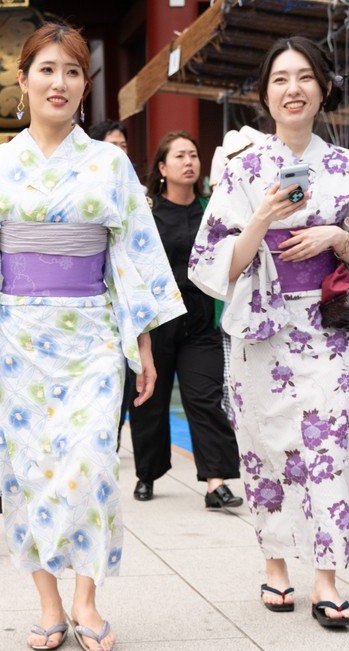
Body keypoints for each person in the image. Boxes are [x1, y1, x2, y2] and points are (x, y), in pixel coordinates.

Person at [0, 23, 185, 651]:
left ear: (86, 85)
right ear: (21, 81)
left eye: (74, 72)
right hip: (16, 338)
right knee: (26, 473)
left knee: (92, 465)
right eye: (47, 70)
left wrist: (140, 344)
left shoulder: (109, 163)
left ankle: (87, 597)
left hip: (92, 338)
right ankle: (49, 603)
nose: (60, 82)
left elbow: (132, 255)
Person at [190, 36, 349, 627]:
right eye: (280, 79)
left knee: (328, 446)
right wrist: (260, 220)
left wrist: (336, 239)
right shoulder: (243, 168)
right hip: (261, 327)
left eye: (305, 77)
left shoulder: (348, 167)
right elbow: (212, 260)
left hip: (327, 325)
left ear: (323, 89)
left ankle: (327, 578)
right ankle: (275, 562)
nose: (293, 89)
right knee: (264, 443)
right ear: (266, 96)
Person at [127, 131, 243, 509]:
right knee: (149, 400)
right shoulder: (145, 213)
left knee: (206, 397)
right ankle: (147, 473)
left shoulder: (213, 210)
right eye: (179, 156)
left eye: (193, 155)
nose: (189, 162)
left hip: (199, 319)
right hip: (158, 320)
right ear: (162, 168)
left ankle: (215, 481)